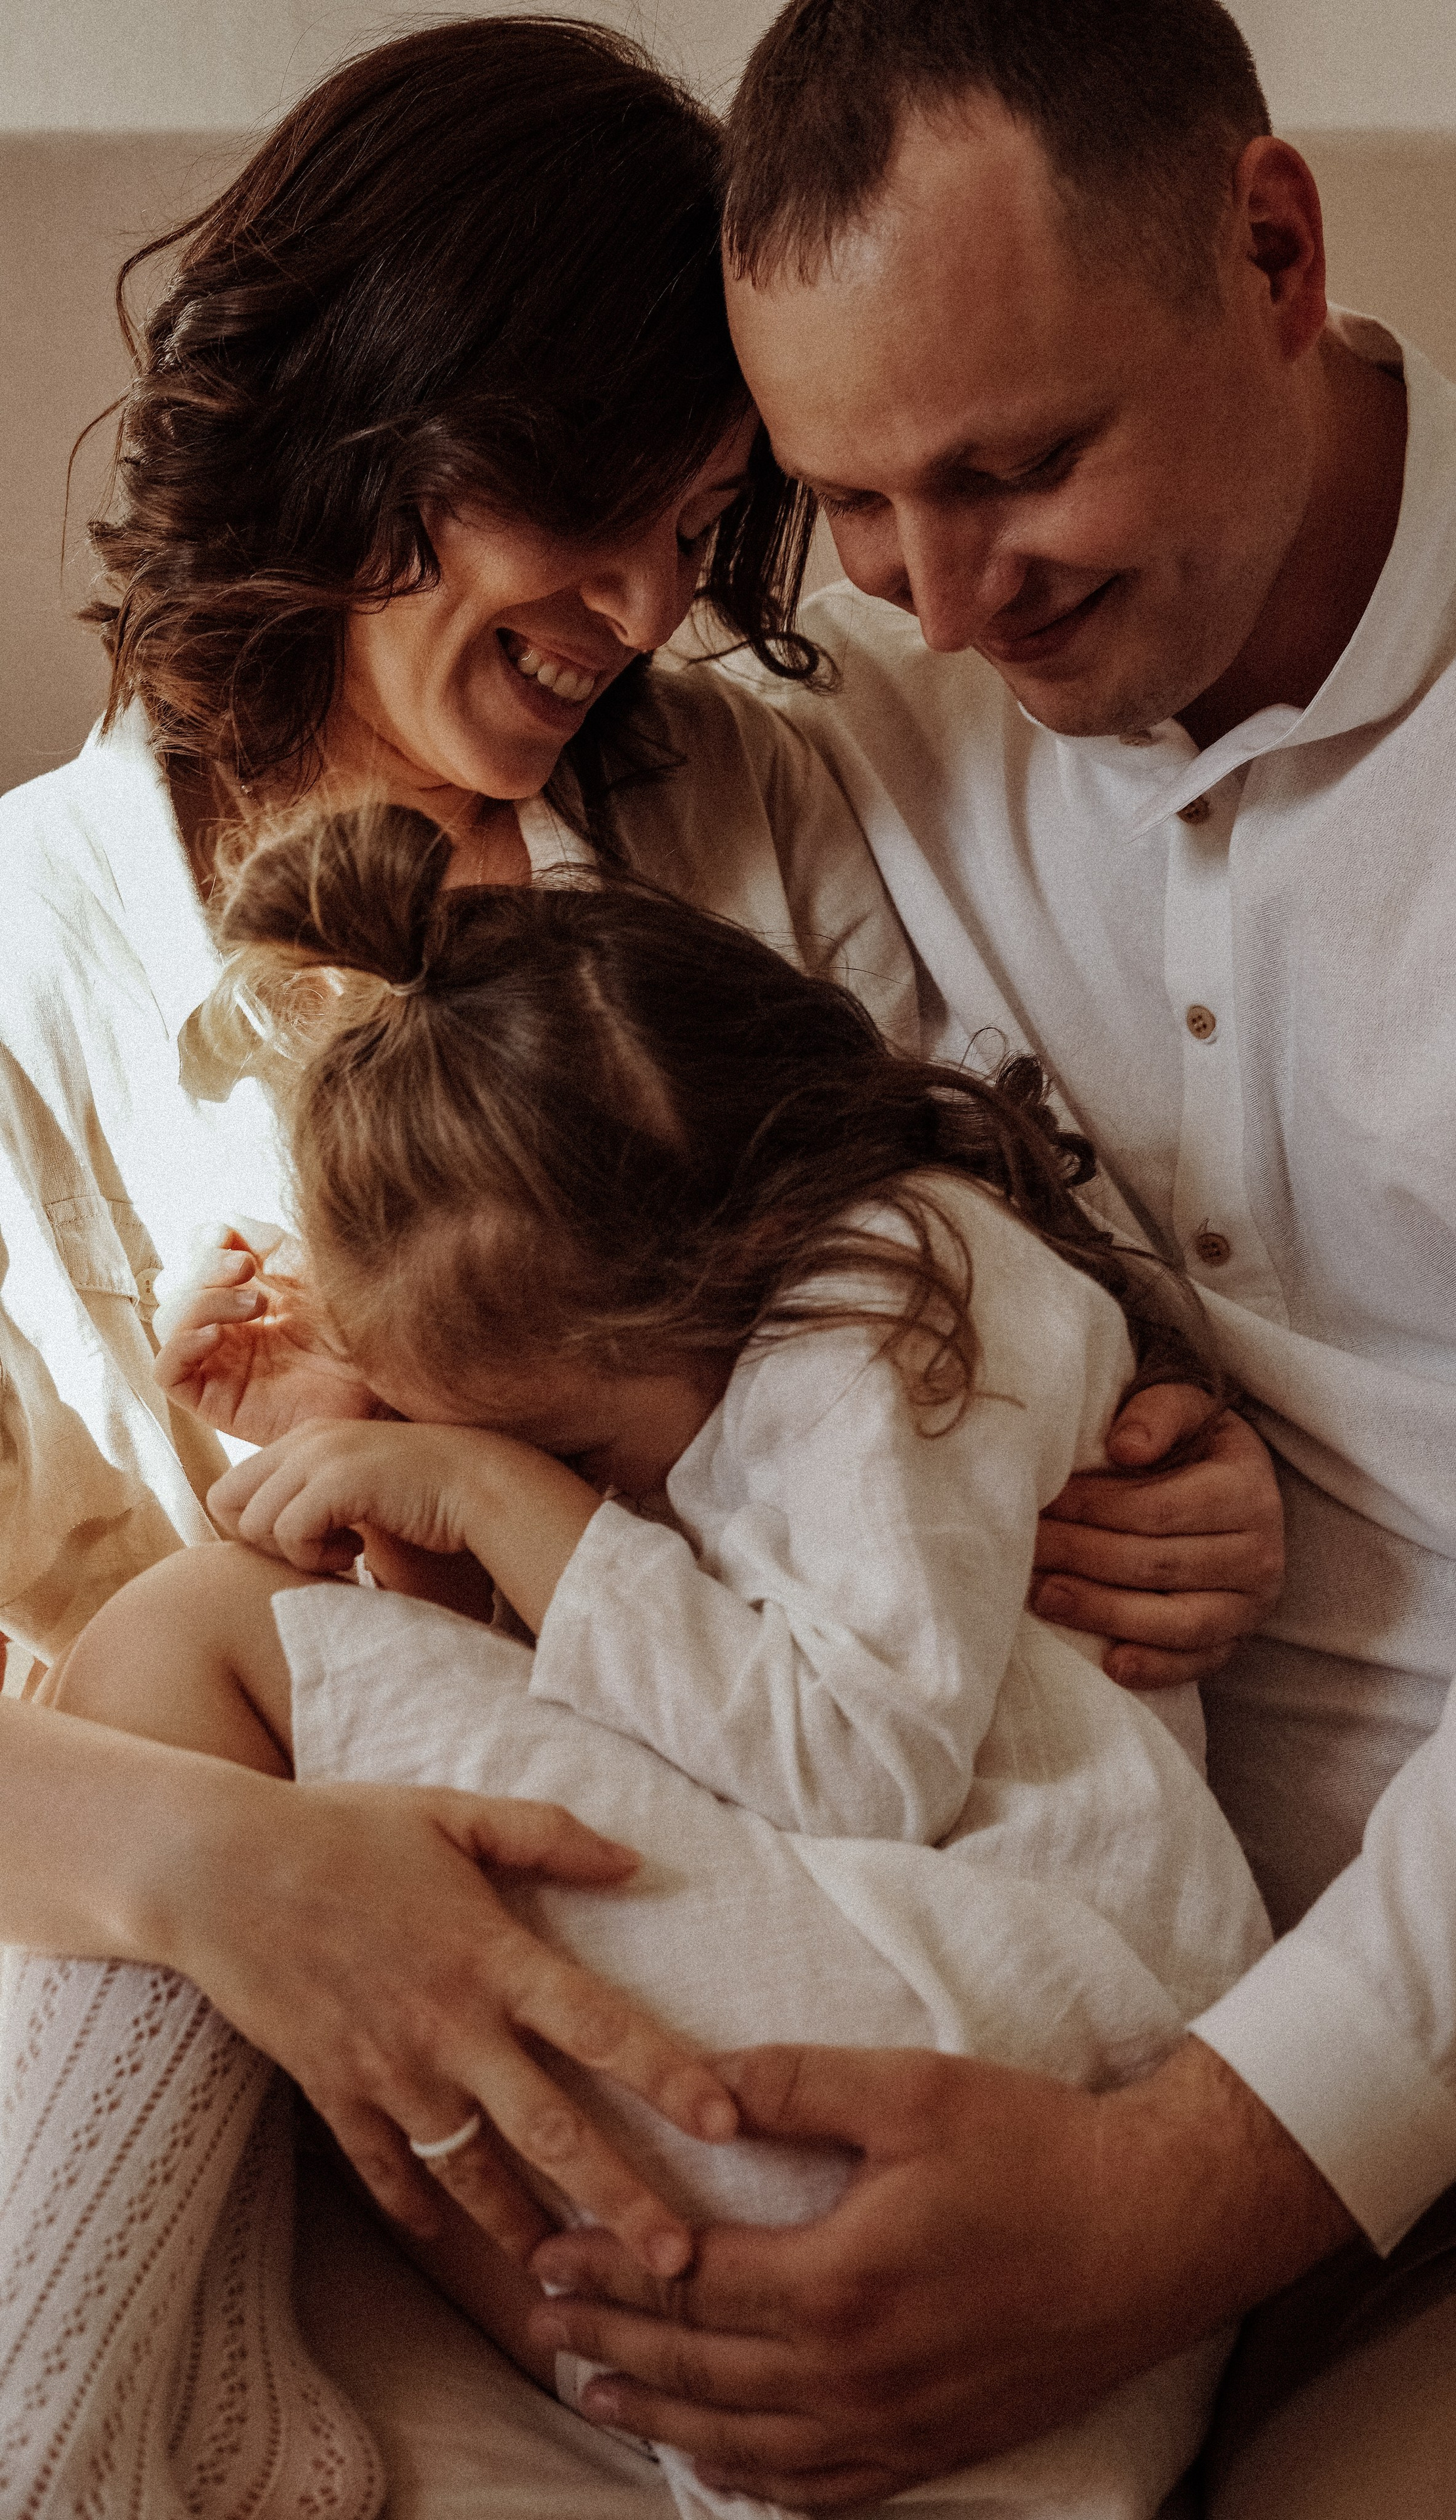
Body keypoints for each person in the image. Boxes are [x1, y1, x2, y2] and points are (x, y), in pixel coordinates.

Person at [0, 12, 1283, 2506]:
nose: (636, 605)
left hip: (823, 1907)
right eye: (572, 502)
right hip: (263, 2013)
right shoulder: (34, 974)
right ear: (355, 417)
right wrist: (228, 1869)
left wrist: (1171, 1457)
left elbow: (977, 1256)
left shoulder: (752, 812)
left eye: (698, 520)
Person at [517, 2, 1456, 2512]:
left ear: (1273, 251)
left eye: (1016, 468)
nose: (943, 603)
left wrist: (1170, 2201)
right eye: (845, 503)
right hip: (1114, 1966)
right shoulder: (850, 724)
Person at [35, 805, 1268, 2516]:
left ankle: (56, 2423)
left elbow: (846, 1757)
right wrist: (370, 1457)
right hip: (902, 1992)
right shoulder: (733, 1295)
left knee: (197, 1649)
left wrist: (486, 1484)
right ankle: (176, 2392)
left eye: (570, 1448)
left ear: (720, 1275)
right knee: (225, 1684)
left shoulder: (895, 1299)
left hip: (1009, 2039)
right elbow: (610, 1659)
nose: (557, 1492)